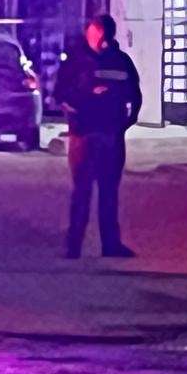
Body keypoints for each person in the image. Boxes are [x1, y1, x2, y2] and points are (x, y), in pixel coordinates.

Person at [55, 15, 142, 259]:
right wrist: (87, 94)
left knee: (109, 192)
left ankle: (111, 244)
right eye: (95, 31)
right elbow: (61, 94)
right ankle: (74, 245)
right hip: (83, 134)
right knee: (81, 191)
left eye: (101, 32)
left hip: (111, 133)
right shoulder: (76, 62)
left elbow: (134, 94)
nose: (97, 37)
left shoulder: (121, 61)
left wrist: (126, 122)